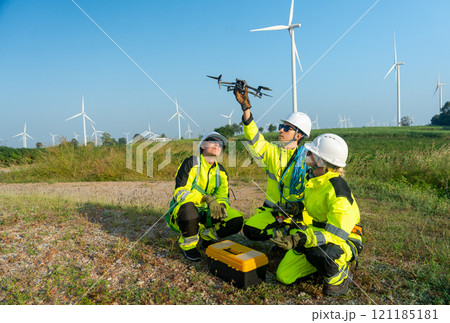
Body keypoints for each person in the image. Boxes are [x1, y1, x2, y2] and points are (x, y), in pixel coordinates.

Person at [270, 133, 363, 296]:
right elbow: (313, 206)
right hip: (319, 233)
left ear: (322, 161)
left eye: (310, 153)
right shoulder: (314, 179)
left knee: (318, 252)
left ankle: (339, 276)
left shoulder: (337, 190)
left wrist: (301, 239)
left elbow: (336, 233)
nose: (306, 154)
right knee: (284, 276)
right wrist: (295, 207)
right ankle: (319, 266)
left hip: (344, 238)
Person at [234, 86, 312, 241]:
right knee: (251, 230)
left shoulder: (309, 159)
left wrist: (299, 208)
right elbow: (253, 138)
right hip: (274, 212)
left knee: (303, 239)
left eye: (287, 128)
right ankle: (281, 234)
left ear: (298, 135)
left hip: (299, 215)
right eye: (281, 127)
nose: (281, 130)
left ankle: (292, 235)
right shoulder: (272, 152)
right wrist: (246, 109)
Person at [167, 131, 244, 262]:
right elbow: (180, 192)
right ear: (202, 145)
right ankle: (189, 246)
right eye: (213, 141)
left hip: (206, 213)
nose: (217, 145)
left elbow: (223, 196)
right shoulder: (190, 163)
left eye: (220, 144)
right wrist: (205, 199)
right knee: (188, 208)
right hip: (185, 213)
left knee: (236, 219)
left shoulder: (222, 172)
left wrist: (220, 206)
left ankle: (206, 237)